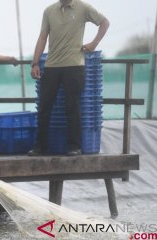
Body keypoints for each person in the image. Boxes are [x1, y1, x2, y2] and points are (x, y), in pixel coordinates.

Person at [28, 0, 109, 156]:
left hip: (75, 65)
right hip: (51, 65)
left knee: (73, 106)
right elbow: (42, 37)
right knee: (44, 107)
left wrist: (94, 43)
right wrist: (35, 63)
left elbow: (104, 22)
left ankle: (74, 147)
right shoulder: (49, 10)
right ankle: (40, 146)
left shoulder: (83, 7)